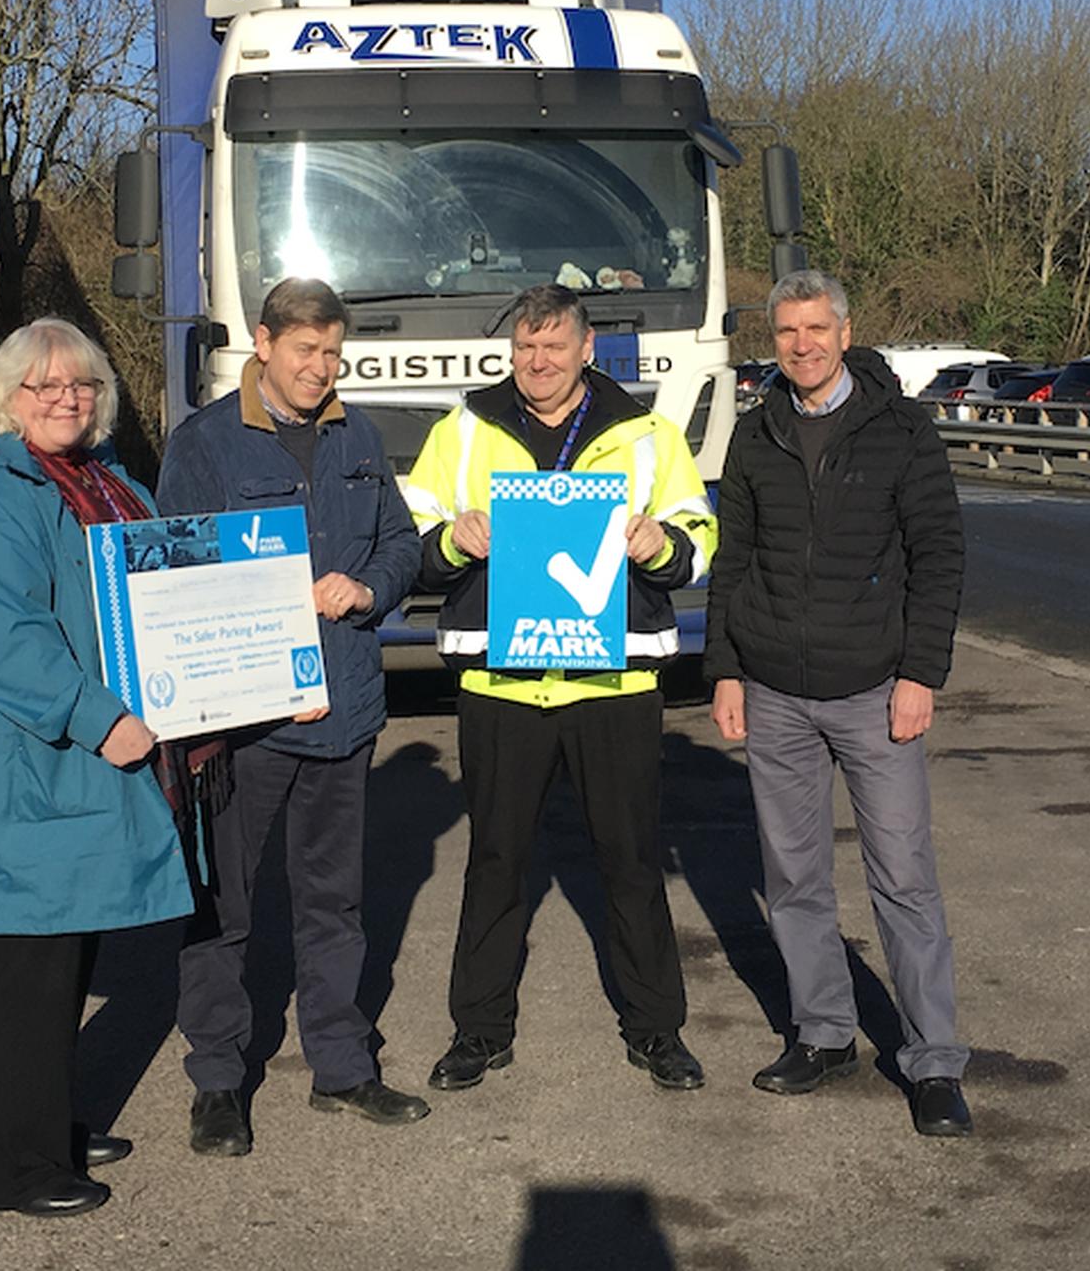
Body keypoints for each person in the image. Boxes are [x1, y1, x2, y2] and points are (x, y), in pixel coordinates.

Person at [0, 319, 192, 1216]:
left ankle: (50, 1121)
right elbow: (12, 644)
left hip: (65, 770)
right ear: (3, 399)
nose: (68, 398)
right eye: (46, 386)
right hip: (20, 770)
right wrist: (100, 721)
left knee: (64, 954)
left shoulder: (95, 482)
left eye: (84, 385)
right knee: (25, 972)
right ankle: (11, 1167)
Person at [404, 282, 716, 1092]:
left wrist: (658, 543)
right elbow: (409, 534)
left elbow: (700, 537)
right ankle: (478, 1032)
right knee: (497, 862)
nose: (537, 362)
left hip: (612, 685)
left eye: (553, 347)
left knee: (632, 863)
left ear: (585, 350)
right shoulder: (465, 429)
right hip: (502, 684)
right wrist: (450, 537)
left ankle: (657, 1032)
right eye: (524, 347)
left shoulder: (647, 433)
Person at [155, 278, 427, 1155]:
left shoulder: (360, 436)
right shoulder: (204, 444)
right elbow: (173, 573)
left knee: (333, 903)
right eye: (305, 350)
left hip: (344, 712)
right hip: (247, 725)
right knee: (223, 907)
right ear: (263, 345)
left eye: (333, 352)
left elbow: (400, 543)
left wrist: (371, 587)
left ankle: (342, 1067)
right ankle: (218, 1081)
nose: (321, 368)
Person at [704, 270, 973, 1136]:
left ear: (845, 332)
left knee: (903, 879)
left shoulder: (900, 429)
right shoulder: (755, 435)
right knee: (794, 879)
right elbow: (732, 559)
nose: (802, 344)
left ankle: (933, 1063)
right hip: (776, 691)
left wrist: (919, 676)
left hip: (874, 691)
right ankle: (821, 1035)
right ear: (774, 340)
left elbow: (938, 555)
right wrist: (726, 671)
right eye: (786, 331)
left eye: (816, 329)